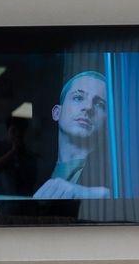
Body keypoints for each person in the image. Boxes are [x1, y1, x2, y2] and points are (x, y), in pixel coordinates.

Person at [34, 71, 110, 199]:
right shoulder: (36, 172)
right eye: (78, 98)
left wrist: (92, 194)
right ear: (57, 113)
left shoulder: (114, 173)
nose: (88, 107)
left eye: (100, 104)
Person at [0, 117, 35, 198]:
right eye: (13, 130)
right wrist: (13, 151)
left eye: (21, 131)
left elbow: (31, 177)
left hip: (22, 199)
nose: (17, 134)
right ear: (8, 130)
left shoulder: (27, 151)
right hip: (2, 199)